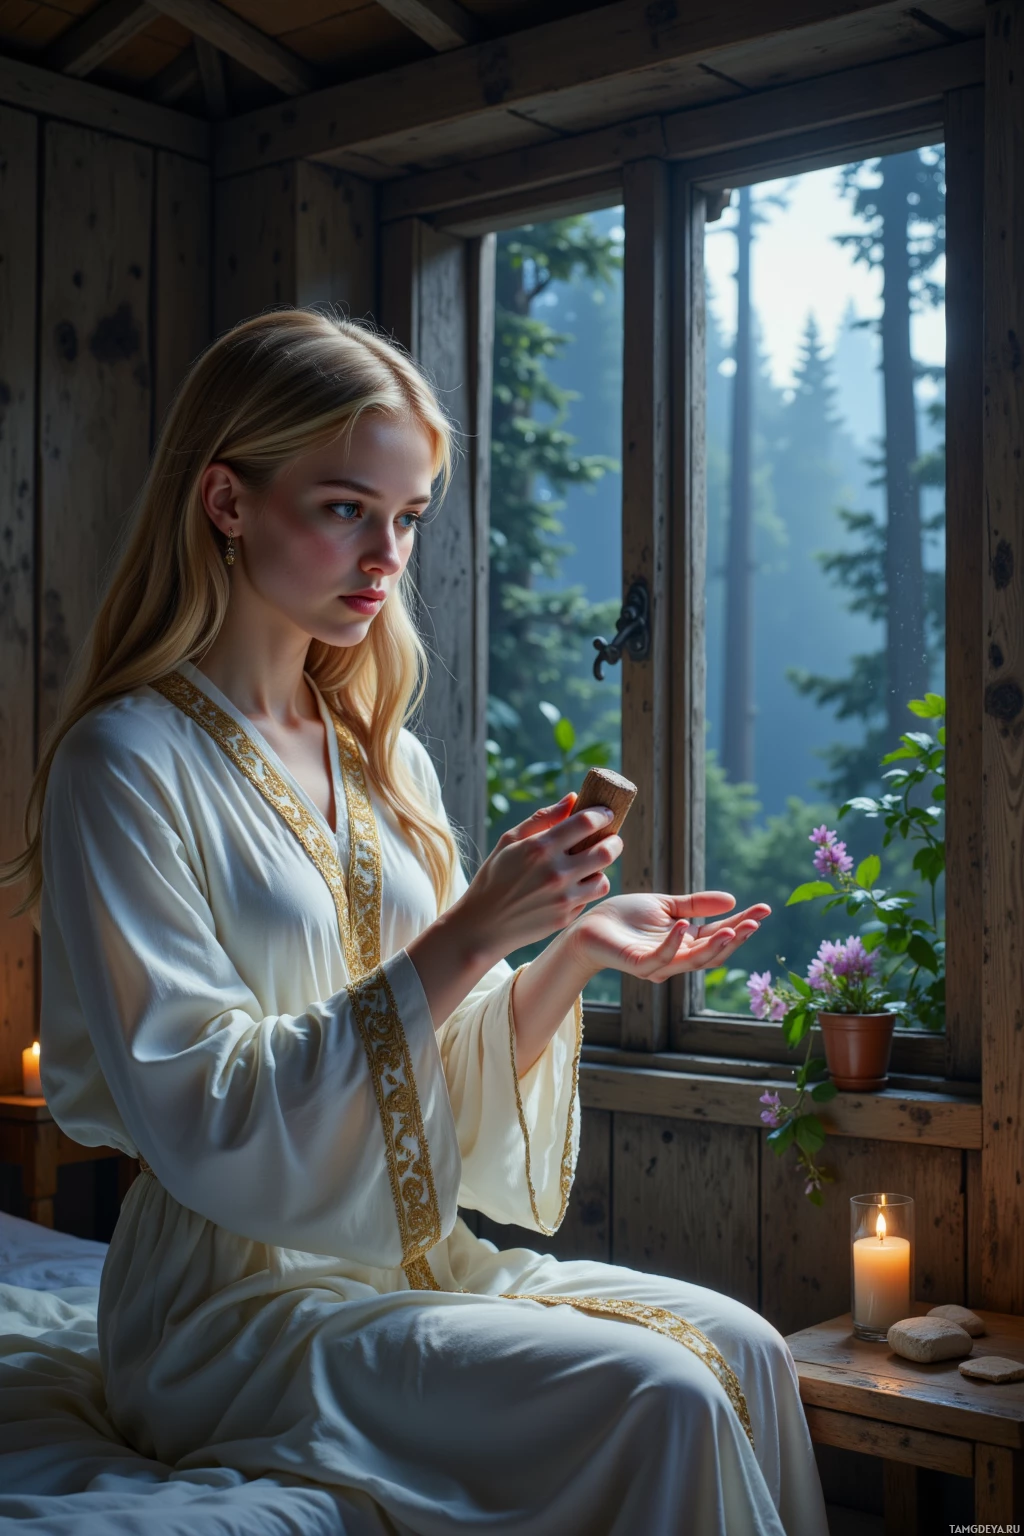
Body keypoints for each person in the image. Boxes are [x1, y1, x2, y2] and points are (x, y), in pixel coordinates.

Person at [4, 309, 829, 1536]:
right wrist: (472, 932)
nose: (384, 554)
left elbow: (439, 1044)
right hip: (226, 1306)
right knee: (660, 1394)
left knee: (745, 1347)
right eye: (344, 508)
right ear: (227, 502)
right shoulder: (123, 762)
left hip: (416, 1262)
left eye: (408, 517)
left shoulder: (382, 758)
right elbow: (201, 1107)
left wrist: (572, 950)